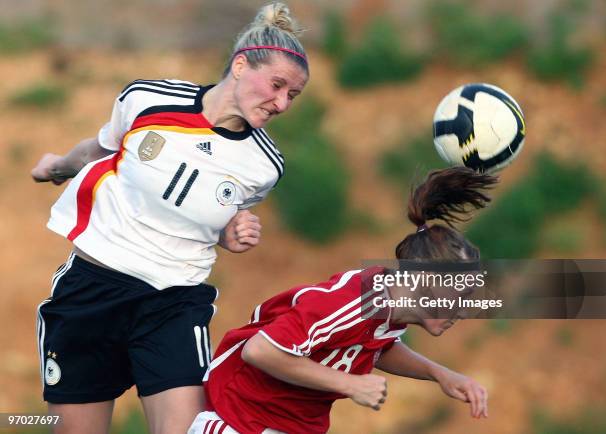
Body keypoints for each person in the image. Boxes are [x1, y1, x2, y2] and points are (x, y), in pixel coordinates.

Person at [30, 3, 308, 434]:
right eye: (277, 86)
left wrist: (229, 234)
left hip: (173, 301)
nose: (282, 103)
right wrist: (57, 166)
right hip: (92, 289)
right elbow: (100, 151)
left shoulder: (265, 164)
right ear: (239, 65)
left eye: (292, 95)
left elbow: (210, 216)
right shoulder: (147, 98)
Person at [189, 167, 496, 434]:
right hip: (239, 420)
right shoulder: (348, 305)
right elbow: (261, 350)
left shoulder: (390, 305)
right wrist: (350, 384)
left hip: (290, 425)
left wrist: (441, 374)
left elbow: (376, 347)